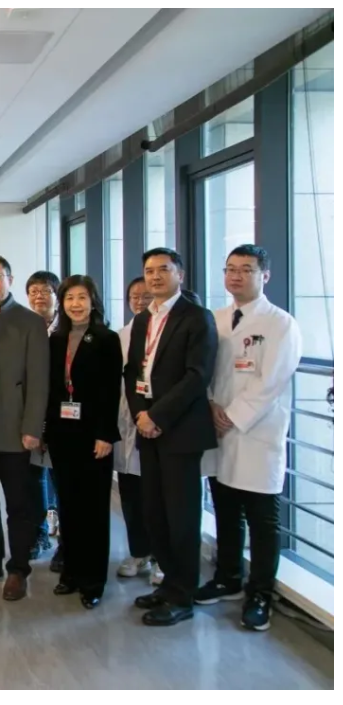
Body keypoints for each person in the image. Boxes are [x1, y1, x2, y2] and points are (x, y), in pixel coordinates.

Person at [196, 245, 301, 631]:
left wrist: (233, 416)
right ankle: (228, 577)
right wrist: (211, 405)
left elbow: (271, 381)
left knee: (262, 520)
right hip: (219, 428)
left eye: (246, 269)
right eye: (230, 269)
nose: (236, 276)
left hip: (258, 433)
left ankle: (260, 594)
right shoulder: (217, 319)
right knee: (224, 509)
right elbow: (205, 369)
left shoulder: (280, 324)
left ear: (264, 275)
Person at [124, 247, 218, 627]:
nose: (155, 276)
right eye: (149, 271)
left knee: (181, 515)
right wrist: (140, 415)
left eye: (164, 269)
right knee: (154, 511)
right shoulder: (144, 319)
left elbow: (197, 375)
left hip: (179, 430)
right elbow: (132, 372)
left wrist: (157, 416)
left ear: (180, 274)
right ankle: (167, 584)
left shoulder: (197, 317)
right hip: (147, 427)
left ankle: (183, 595)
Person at [0, 255, 49, 601]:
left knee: (18, 504)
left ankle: (18, 568)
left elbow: (39, 379)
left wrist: (32, 427)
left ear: (10, 279)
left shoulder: (30, 321)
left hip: (15, 430)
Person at [45, 275, 122, 609]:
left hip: (94, 436)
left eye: (82, 297)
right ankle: (72, 573)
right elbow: (52, 389)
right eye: (69, 298)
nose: (75, 304)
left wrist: (106, 434)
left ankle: (93, 581)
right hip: (63, 434)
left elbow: (111, 391)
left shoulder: (106, 338)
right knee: (69, 505)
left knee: (93, 509)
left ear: (93, 301)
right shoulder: (56, 339)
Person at [114, 277, 162, 583]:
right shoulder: (121, 335)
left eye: (146, 295)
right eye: (134, 296)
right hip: (125, 422)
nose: (140, 301)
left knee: (158, 497)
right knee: (130, 495)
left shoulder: (164, 331)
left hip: (155, 423)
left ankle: (161, 557)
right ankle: (138, 551)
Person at [25, 270, 62, 565]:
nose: (39, 296)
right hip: (31, 416)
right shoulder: (24, 328)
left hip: (64, 416)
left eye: (46, 291)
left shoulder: (68, 329)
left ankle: (65, 541)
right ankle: (38, 535)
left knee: (62, 479)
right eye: (34, 291)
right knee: (34, 479)